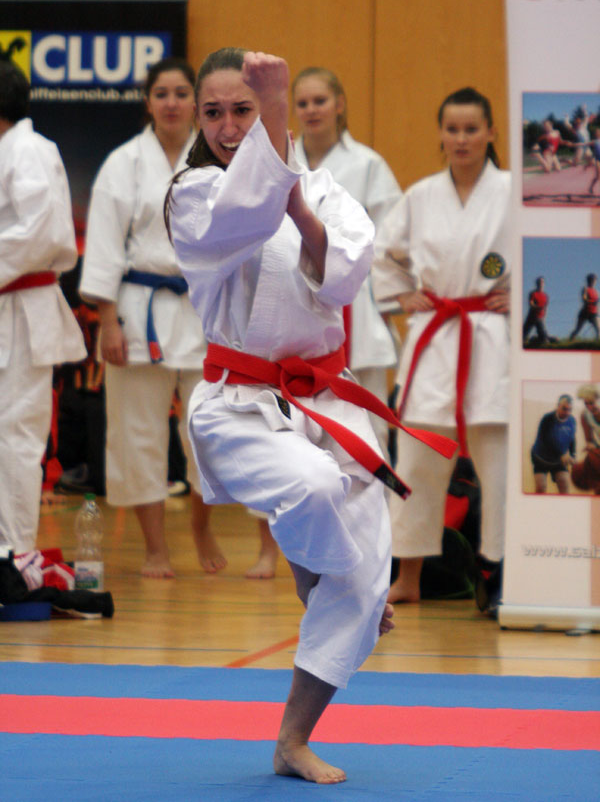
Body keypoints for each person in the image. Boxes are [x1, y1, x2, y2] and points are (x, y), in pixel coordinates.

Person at [165, 48, 451, 784]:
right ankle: (315, 574)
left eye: (244, 108)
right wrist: (276, 113)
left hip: (326, 399)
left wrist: (298, 201)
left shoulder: (325, 189)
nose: (229, 126)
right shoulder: (192, 192)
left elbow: (345, 276)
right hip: (239, 403)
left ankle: (292, 740)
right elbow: (245, 217)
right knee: (318, 496)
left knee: (363, 591)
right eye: (214, 112)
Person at [80, 57, 225, 578]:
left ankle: (202, 526)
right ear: (148, 102)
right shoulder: (123, 163)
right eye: (161, 93)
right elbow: (103, 244)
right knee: (136, 433)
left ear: (197, 103)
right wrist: (107, 321)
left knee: (208, 428)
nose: (171, 103)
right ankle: (155, 547)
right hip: (137, 310)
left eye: (181, 93)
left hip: (205, 309)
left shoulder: (216, 161)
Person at [372, 87, 511, 605]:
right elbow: (383, 253)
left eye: (472, 129)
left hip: (492, 334)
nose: (461, 139)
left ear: (491, 132)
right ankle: (407, 577)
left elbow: (547, 249)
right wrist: (402, 295)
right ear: (441, 135)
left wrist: (521, 294)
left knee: (498, 465)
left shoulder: (514, 192)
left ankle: (496, 574)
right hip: (436, 335)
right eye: (452, 130)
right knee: (415, 463)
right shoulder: (422, 196)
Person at [291, 66, 401, 457]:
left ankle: (374, 495)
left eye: (319, 101)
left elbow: (393, 240)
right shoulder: (281, 162)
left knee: (369, 432)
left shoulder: (368, 164)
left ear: (339, 104)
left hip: (358, 308)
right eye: (303, 103)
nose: (311, 110)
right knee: (300, 433)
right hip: (295, 300)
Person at [0, 60, 86, 553]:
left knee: (15, 433)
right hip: (8, 304)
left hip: (21, 311)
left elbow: (42, 233)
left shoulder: (29, 149)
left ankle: (14, 554)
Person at [530, 394, 576, 494]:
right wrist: (562, 454)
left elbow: (572, 439)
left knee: (564, 484)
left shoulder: (572, 421)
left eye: (570, 409)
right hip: (541, 458)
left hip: (558, 461)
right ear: (558, 406)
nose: (567, 412)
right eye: (564, 409)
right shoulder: (547, 419)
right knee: (541, 487)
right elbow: (547, 440)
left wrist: (573, 455)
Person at [569, 273, 599, 341]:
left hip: (594, 312)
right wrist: (592, 302)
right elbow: (584, 299)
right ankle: (570, 340)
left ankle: (597, 343)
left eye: (594, 280)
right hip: (585, 312)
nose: (593, 282)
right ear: (588, 281)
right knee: (578, 329)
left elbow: (597, 302)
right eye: (592, 280)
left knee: (598, 328)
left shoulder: (596, 291)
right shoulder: (585, 289)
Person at [523, 276, 550, 345]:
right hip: (532, 316)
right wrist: (538, 307)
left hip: (540, 317)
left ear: (544, 284)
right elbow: (531, 304)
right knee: (523, 334)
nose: (541, 284)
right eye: (539, 282)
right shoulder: (533, 293)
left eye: (542, 282)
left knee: (543, 336)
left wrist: (544, 316)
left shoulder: (545, 296)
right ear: (536, 283)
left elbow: (545, 307)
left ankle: (534, 340)